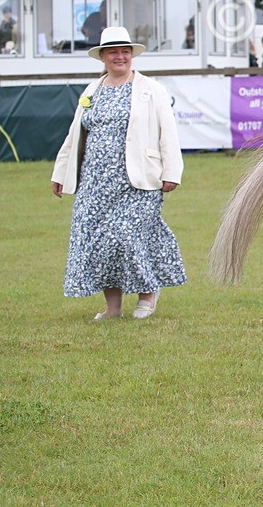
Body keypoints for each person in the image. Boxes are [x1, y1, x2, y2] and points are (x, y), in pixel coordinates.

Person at [51, 26, 187, 320]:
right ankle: (113, 307)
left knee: (127, 237)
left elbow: (168, 133)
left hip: (138, 181)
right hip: (95, 183)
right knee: (100, 244)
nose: (120, 56)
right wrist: (61, 173)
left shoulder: (152, 90)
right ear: (102, 56)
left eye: (125, 51)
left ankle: (148, 295)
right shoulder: (91, 91)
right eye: (113, 51)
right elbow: (75, 135)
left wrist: (172, 171)